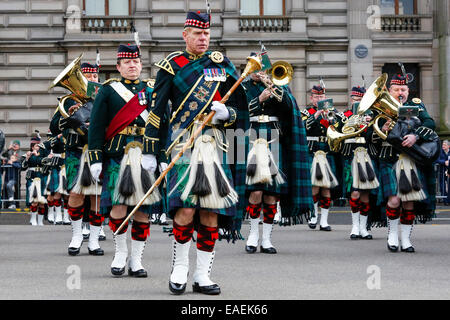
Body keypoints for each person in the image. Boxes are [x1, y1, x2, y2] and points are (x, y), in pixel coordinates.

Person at [144, 10, 248, 295]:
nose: (203, 38)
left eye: (206, 34)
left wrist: (227, 114)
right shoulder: (171, 66)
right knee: (185, 207)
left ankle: (203, 275)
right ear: (185, 35)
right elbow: (156, 113)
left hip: (214, 145)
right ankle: (179, 267)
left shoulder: (222, 65)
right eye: (197, 34)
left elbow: (241, 110)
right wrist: (151, 151)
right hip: (182, 143)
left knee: (211, 212)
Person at [88, 45, 161, 277]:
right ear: (118, 67)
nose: (133, 66)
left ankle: (136, 260)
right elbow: (97, 125)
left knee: (142, 209)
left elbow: (163, 124)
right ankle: (120, 252)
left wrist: (161, 156)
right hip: (117, 154)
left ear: (141, 64)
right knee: (118, 206)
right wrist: (95, 157)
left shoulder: (152, 89)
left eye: (136, 62)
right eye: (127, 62)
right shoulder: (109, 90)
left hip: (145, 155)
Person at [242, 68, 313, 254]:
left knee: (272, 193)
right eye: (254, 68)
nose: (258, 72)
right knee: (255, 191)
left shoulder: (279, 86)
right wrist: (259, 100)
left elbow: (290, 109)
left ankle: (266, 238)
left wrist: (274, 87)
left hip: (274, 139)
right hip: (252, 138)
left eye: (261, 69)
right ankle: (253, 235)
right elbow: (239, 112)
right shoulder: (243, 87)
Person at [50, 61, 104, 255]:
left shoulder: (102, 96)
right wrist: (68, 118)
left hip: (96, 151)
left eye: (95, 76)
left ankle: (95, 240)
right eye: (88, 76)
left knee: (96, 195)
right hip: (75, 150)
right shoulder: (69, 99)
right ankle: (76, 235)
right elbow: (54, 127)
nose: (92, 79)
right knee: (75, 193)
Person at [378, 73, 436, 252]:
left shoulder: (416, 105)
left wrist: (415, 135)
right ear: (390, 90)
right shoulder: (381, 107)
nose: (400, 92)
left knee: (409, 201)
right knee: (394, 200)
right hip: (389, 157)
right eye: (396, 90)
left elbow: (430, 123)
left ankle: (406, 239)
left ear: (408, 91)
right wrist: (382, 128)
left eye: (403, 89)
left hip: (410, 158)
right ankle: (392, 235)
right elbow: (368, 135)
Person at [303, 84, 346, 231]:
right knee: (314, 186)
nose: (319, 99)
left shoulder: (334, 112)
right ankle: (314, 217)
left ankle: (325, 221)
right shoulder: (306, 112)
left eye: (322, 97)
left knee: (326, 187)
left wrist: (331, 118)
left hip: (327, 152)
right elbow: (304, 127)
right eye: (317, 97)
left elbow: (341, 129)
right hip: (313, 151)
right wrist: (316, 115)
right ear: (312, 98)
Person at [22, 135, 47, 226]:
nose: (38, 147)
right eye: (36, 145)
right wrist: (27, 158)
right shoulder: (28, 154)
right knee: (34, 199)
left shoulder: (43, 154)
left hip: (41, 176)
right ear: (33, 146)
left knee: (42, 201)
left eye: (39, 145)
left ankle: (40, 221)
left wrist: (38, 155)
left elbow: (45, 163)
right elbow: (23, 167)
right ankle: (33, 219)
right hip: (32, 177)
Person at [436, 140, 449, 205]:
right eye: (442, 144)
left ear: (448, 146)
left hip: (449, 171)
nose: (443, 146)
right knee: (442, 186)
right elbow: (437, 160)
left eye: (445, 145)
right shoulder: (440, 152)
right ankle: (445, 201)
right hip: (441, 172)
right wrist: (444, 162)